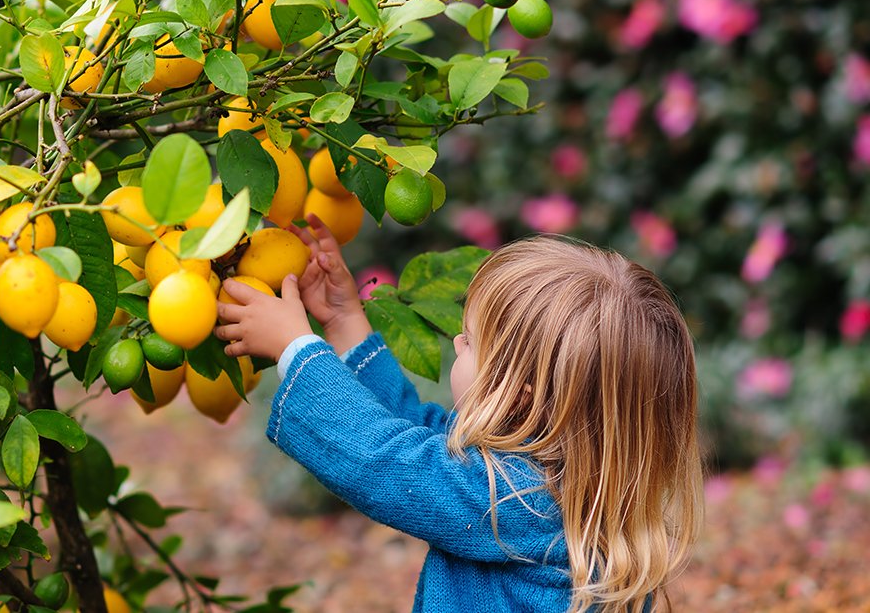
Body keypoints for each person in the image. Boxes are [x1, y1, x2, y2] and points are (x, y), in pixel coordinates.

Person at [213, 218, 704, 613]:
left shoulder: (518, 500)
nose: (455, 341)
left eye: (470, 341)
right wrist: (344, 322)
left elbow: (386, 460)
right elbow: (416, 436)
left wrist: (297, 352)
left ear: (520, 397)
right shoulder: (563, 483)